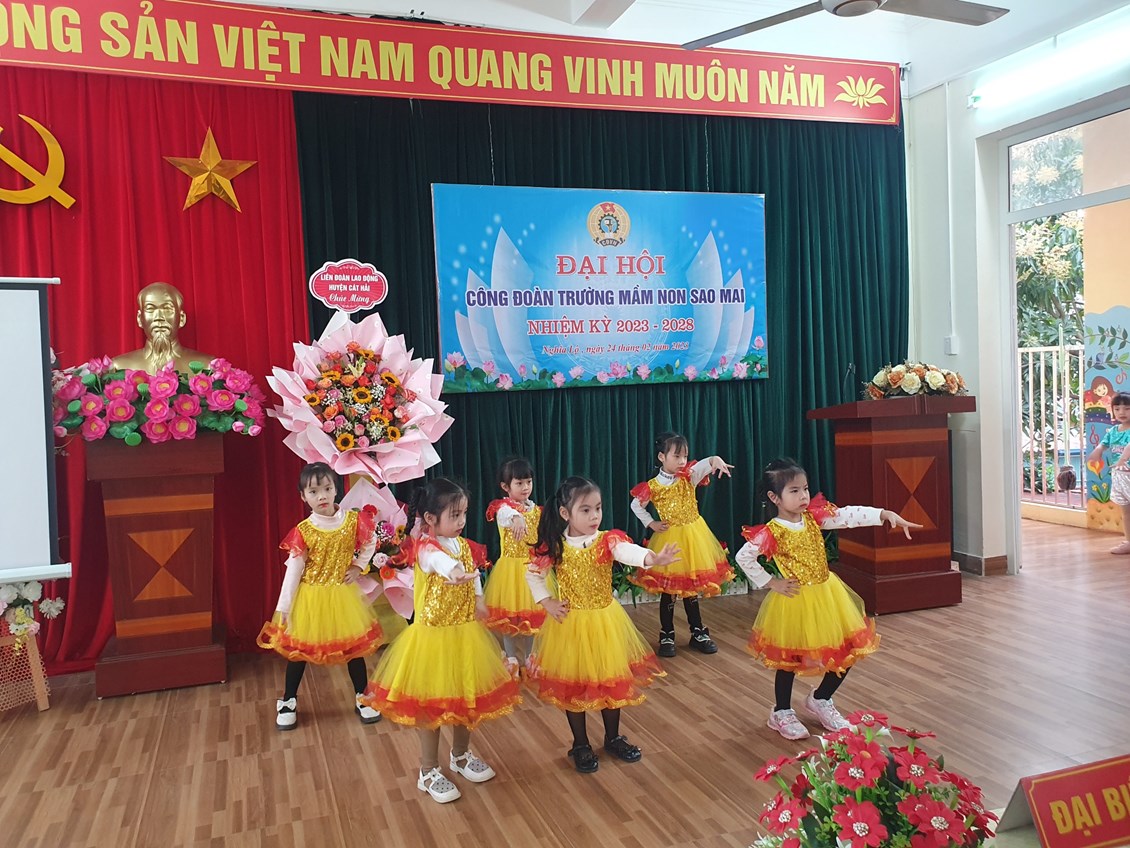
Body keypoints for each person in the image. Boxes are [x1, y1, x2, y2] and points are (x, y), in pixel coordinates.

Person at [736, 458, 922, 741]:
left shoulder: (813, 518)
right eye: (794, 491)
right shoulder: (772, 531)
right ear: (775, 497)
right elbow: (744, 557)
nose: (803, 496)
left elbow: (847, 516)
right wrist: (771, 582)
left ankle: (821, 699)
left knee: (846, 649)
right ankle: (782, 711)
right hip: (795, 600)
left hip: (828, 595)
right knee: (789, 658)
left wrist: (884, 514)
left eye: (805, 488)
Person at [362, 478, 521, 804]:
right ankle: (428, 770)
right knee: (432, 707)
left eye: (463, 514)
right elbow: (440, 563)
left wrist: (478, 598)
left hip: (465, 636)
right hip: (433, 640)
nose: (461, 521)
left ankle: (460, 755)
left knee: (466, 697)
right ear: (431, 519)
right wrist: (454, 572)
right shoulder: (425, 548)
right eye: (454, 515)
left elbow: (472, 575)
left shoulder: (463, 546)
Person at [525, 476, 679, 774]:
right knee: (574, 684)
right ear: (565, 513)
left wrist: (652, 558)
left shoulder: (607, 540)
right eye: (585, 510)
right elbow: (533, 574)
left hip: (605, 622)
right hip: (570, 625)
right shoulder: (556, 545)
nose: (594, 516)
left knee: (611, 679)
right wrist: (547, 602)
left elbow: (628, 551)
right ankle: (580, 743)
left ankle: (613, 737)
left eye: (598, 508)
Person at [257, 462, 385, 731]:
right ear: (303, 496)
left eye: (327, 488)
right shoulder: (304, 531)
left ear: (336, 489)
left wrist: (358, 566)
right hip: (310, 599)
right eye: (313, 492)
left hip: (342, 597)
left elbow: (370, 541)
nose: (322, 496)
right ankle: (288, 700)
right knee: (300, 651)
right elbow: (293, 571)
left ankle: (362, 696)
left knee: (353, 648)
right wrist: (284, 609)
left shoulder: (352, 521)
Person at [629, 432, 734, 657]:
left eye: (685, 456)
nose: (682, 461)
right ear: (661, 457)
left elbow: (707, 463)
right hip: (670, 542)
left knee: (690, 588)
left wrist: (716, 460)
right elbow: (636, 505)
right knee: (669, 592)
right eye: (676, 456)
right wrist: (651, 523)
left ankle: (698, 632)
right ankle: (667, 634)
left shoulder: (689, 476)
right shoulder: (653, 486)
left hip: (694, 539)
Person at [484, 456, 544, 667]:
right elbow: (506, 514)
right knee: (508, 617)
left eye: (528, 482)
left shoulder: (536, 510)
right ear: (505, 486)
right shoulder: (503, 508)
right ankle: (511, 658)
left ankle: (529, 657)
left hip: (532, 569)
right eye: (519, 483)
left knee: (532, 616)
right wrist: (517, 517)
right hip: (510, 571)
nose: (525, 487)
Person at [111, 282, 215, 373]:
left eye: (167, 309)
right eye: (150, 309)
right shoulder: (118, 367)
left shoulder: (208, 366)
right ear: (139, 319)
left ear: (182, 318)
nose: (159, 317)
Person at [1087, 391, 1130, 555]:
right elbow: (1103, 444)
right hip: (1119, 476)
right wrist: (1097, 451)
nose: (1122, 412)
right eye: (1117, 409)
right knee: (1125, 511)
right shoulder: (1113, 431)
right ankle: (1129, 541)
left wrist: (1123, 459)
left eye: (1127, 409)